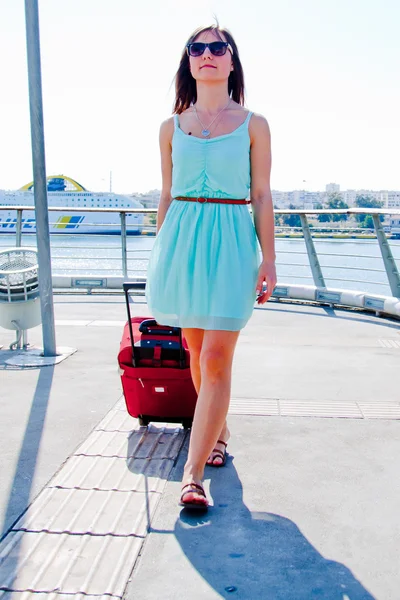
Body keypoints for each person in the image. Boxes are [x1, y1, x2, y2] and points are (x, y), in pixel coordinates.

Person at [145, 24, 276, 510]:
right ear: (189, 61)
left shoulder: (253, 124)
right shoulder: (170, 127)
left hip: (232, 240)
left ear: (231, 61)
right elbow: (165, 193)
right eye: (196, 48)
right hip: (181, 239)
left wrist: (270, 258)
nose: (207, 55)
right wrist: (162, 252)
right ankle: (216, 433)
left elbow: (261, 194)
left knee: (217, 357)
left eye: (217, 47)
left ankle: (192, 475)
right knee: (198, 354)